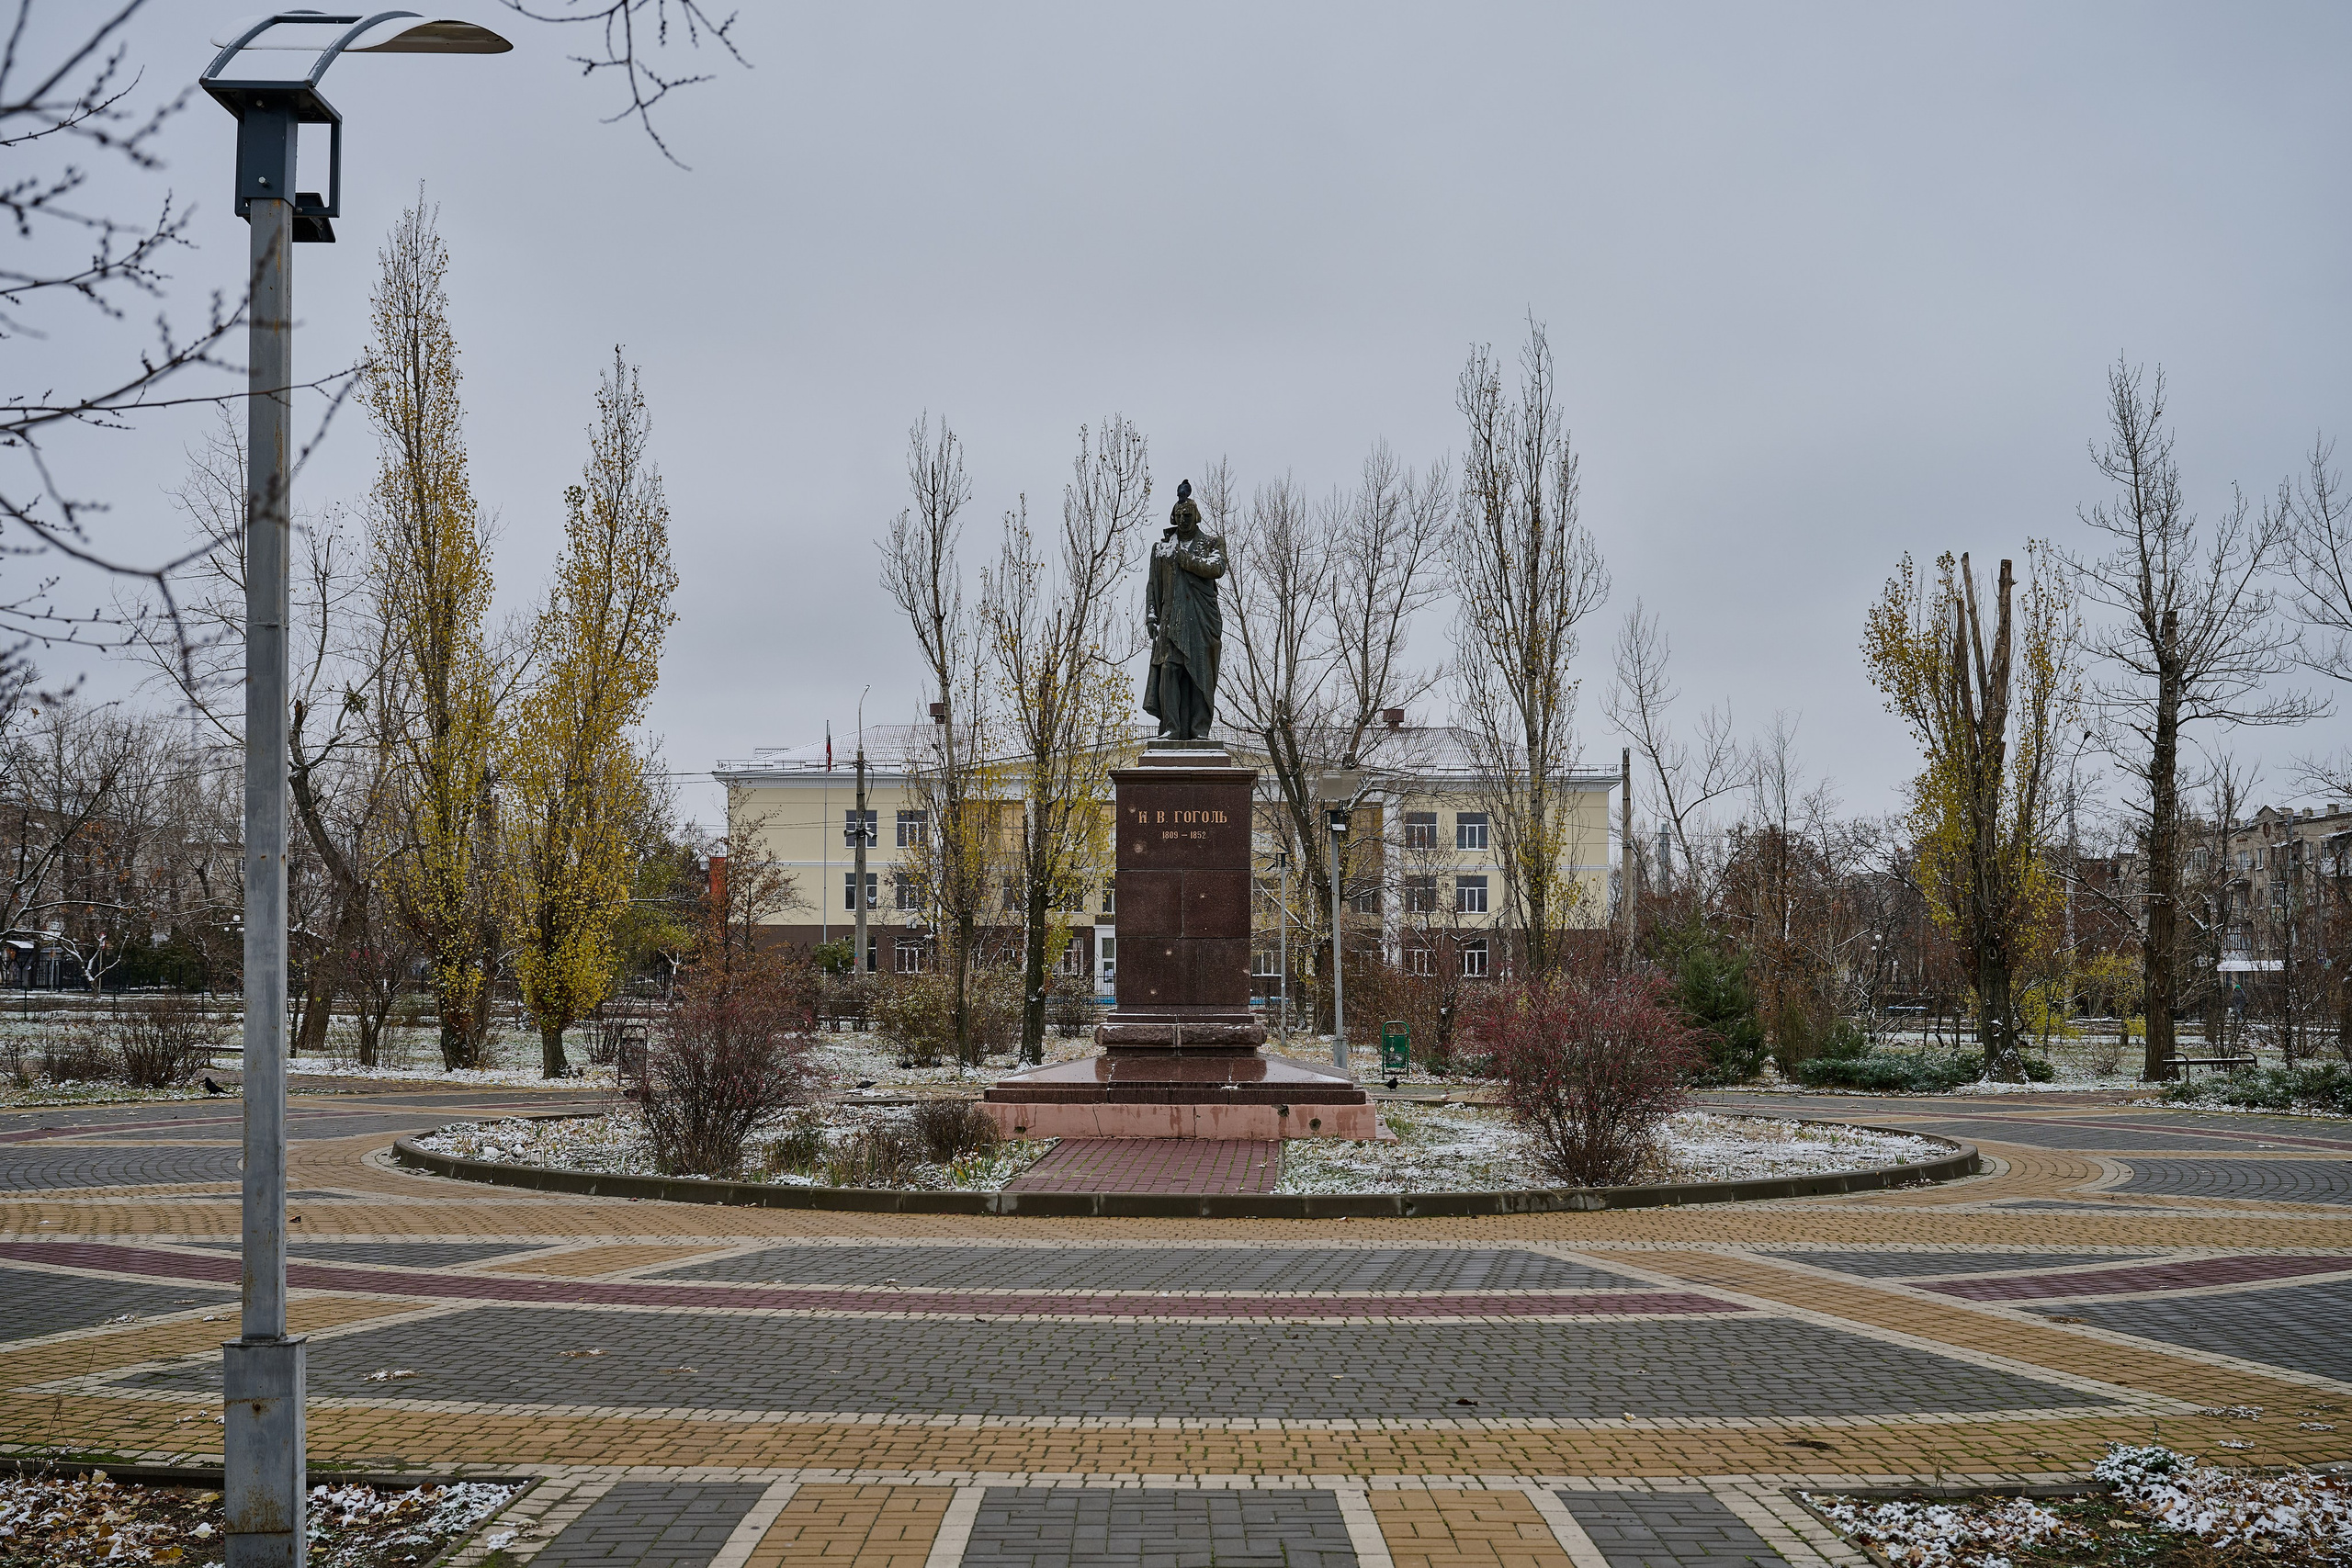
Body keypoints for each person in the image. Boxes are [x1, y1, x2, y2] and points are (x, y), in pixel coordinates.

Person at [1142, 479, 1227, 741]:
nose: (1183, 519)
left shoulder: (1212, 544)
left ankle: (1200, 731)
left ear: (1196, 516)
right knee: (1169, 669)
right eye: (1179, 515)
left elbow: (1217, 568)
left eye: (1188, 515)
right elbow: (1153, 585)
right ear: (1174, 517)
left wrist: (1185, 559)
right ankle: (1171, 728)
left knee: (1200, 674)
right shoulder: (1162, 549)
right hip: (1171, 620)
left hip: (1201, 620)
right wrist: (1151, 615)